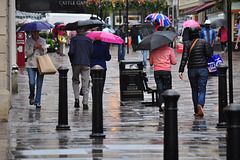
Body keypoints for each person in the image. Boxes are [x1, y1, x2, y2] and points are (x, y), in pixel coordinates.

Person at [179, 27, 212, 117]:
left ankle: (196, 110)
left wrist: (180, 70)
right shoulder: (203, 42)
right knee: (202, 89)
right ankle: (200, 105)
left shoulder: (187, 43)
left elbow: (184, 58)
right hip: (202, 69)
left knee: (194, 90)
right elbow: (209, 54)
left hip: (192, 69)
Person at [68, 27, 93, 110]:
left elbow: (71, 52)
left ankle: (76, 99)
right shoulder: (88, 40)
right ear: (84, 31)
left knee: (75, 80)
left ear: (77, 31)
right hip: (86, 62)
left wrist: (72, 60)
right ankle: (85, 103)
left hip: (76, 62)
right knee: (85, 82)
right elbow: (91, 52)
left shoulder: (73, 39)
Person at [149, 44, 176, 115]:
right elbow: (174, 62)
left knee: (160, 90)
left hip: (157, 71)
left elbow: (151, 63)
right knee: (167, 89)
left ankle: (161, 109)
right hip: (166, 71)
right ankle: (167, 106)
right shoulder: (170, 50)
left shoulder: (154, 50)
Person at [25, 30, 47, 108]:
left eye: (37, 32)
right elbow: (26, 54)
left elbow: (45, 53)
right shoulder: (28, 41)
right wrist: (33, 48)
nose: (36, 34)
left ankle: (37, 101)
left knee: (39, 84)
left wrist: (40, 47)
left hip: (40, 65)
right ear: (32, 33)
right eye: (34, 32)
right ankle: (31, 96)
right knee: (32, 82)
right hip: (31, 64)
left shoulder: (42, 41)